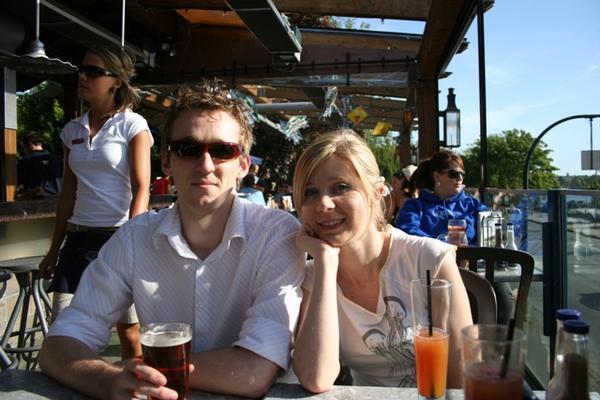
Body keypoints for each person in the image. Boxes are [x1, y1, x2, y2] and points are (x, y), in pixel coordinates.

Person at [39, 84, 305, 399]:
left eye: (223, 151)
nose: (205, 164)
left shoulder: (276, 234)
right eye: (188, 149)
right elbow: (61, 342)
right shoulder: (135, 238)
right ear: (166, 162)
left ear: (243, 165)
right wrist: (107, 380)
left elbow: (253, 372)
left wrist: (143, 372)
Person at [290, 130, 472, 392]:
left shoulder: (429, 259)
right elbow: (315, 377)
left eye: (340, 187)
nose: (323, 204)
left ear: (377, 192)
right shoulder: (312, 276)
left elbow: (461, 384)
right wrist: (325, 264)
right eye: (309, 192)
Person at [37, 46, 153, 359]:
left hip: (116, 238)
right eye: (82, 69)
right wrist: (52, 249)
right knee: (63, 328)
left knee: (128, 333)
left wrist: (132, 243)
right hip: (76, 241)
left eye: (93, 71)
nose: (83, 75)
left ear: (116, 80)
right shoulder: (71, 130)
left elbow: (142, 188)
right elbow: (67, 194)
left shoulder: (133, 126)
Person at [394, 150, 487, 246]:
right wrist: (445, 244)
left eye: (462, 174)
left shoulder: (474, 206)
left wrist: (467, 254)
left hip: (470, 259)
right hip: (431, 259)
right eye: (453, 174)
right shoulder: (415, 206)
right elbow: (408, 234)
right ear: (437, 176)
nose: (460, 178)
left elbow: (489, 236)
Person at [17, 131, 63, 198]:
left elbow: (18, 184)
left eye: (24, 147)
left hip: (36, 202)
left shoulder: (25, 161)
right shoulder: (57, 159)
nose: (24, 150)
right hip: (57, 200)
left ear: (30, 144)